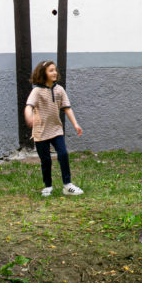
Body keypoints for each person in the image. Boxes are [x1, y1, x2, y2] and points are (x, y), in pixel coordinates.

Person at [24, 61, 84, 197]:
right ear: (43, 73)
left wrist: (75, 124)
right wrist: (29, 116)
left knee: (63, 154)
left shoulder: (59, 90)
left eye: (55, 70)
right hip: (40, 131)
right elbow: (29, 106)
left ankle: (67, 185)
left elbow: (67, 108)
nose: (55, 73)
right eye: (51, 70)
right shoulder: (37, 91)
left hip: (56, 129)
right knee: (46, 160)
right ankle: (48, 186)